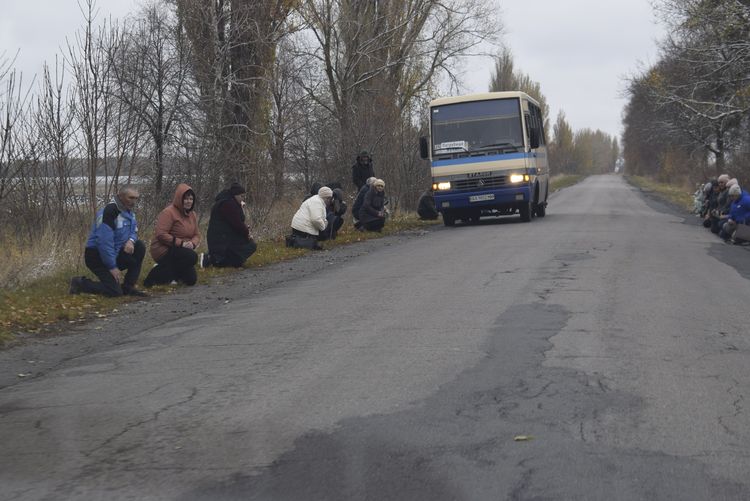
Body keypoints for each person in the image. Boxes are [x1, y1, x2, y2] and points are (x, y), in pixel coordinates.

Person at [69, 185, 147, 297]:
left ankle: (128, 287)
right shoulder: (108, 213)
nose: (134, 201)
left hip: (115, 253)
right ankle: (80, 283)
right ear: (121, 196)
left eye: (136, 198)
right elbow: (104, 243)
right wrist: (112, 267)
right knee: (114, 292)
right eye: (131, 198)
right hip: (97, 256)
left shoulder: (129, 213)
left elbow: (133, 231)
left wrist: (131, 241)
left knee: (139, 246)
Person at [144, 183, 201, 287]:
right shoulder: (168, 212)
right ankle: (154, 275)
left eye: (191, 199)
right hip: (165, 248)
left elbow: (197, 234)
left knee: (191, 280)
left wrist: (192, 244)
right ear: (180, 198)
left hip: (182, 251)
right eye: (186, 199)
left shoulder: (192, 215)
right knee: (192, 257)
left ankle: (169, 273)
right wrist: (181, 243)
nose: (189, 201)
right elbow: (160, 234)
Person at [205, 182, 257, 268]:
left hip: (224, 238)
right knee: (251, 245)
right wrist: (247, 233)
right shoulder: (227, 204)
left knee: (248, 244)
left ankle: (225, 260)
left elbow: (236, 224)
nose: (242, 199)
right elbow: (238, 224)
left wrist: (245, 231)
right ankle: (216, 260)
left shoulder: (229, 202)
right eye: (241, 196)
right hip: (220, 240)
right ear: (235, 195)